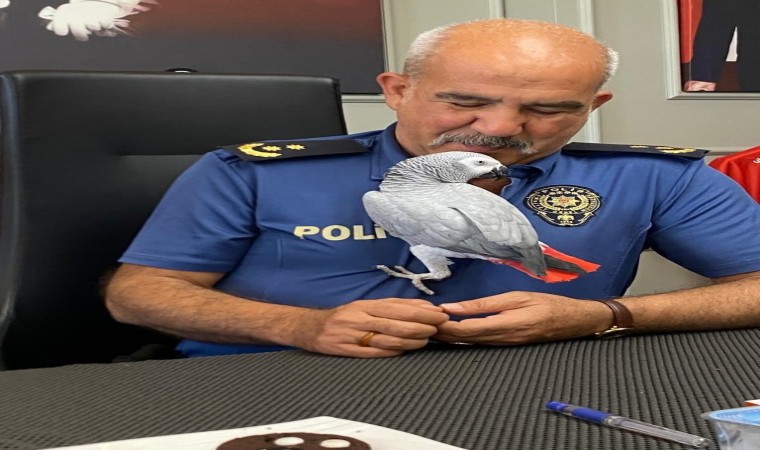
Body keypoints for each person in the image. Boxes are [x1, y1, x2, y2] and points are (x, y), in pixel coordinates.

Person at [105, 18, 760, 359]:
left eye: (548, 109)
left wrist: (608, 316)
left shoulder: (656, 177)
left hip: (537, 379)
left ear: (594, 106)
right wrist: (302, 326)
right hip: (267, 376)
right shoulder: (252, 171)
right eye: (465, 102)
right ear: (397, 90)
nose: (500, 129)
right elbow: (138, 295)